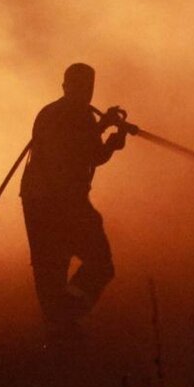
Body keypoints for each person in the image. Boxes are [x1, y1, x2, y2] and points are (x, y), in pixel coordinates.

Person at [20, 63, 127, 336]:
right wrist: (112, 141)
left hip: (39, 201)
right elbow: (87, 155)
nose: (86, 93)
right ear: (67, 86)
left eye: (88, 88)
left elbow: (82, 148)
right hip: (59, 202)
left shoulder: (51, 113)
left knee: (51, 268)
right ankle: (64, 322)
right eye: (82, 87)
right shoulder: (76, 116)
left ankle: (60, 322)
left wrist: (104, 128)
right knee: (97, 263)